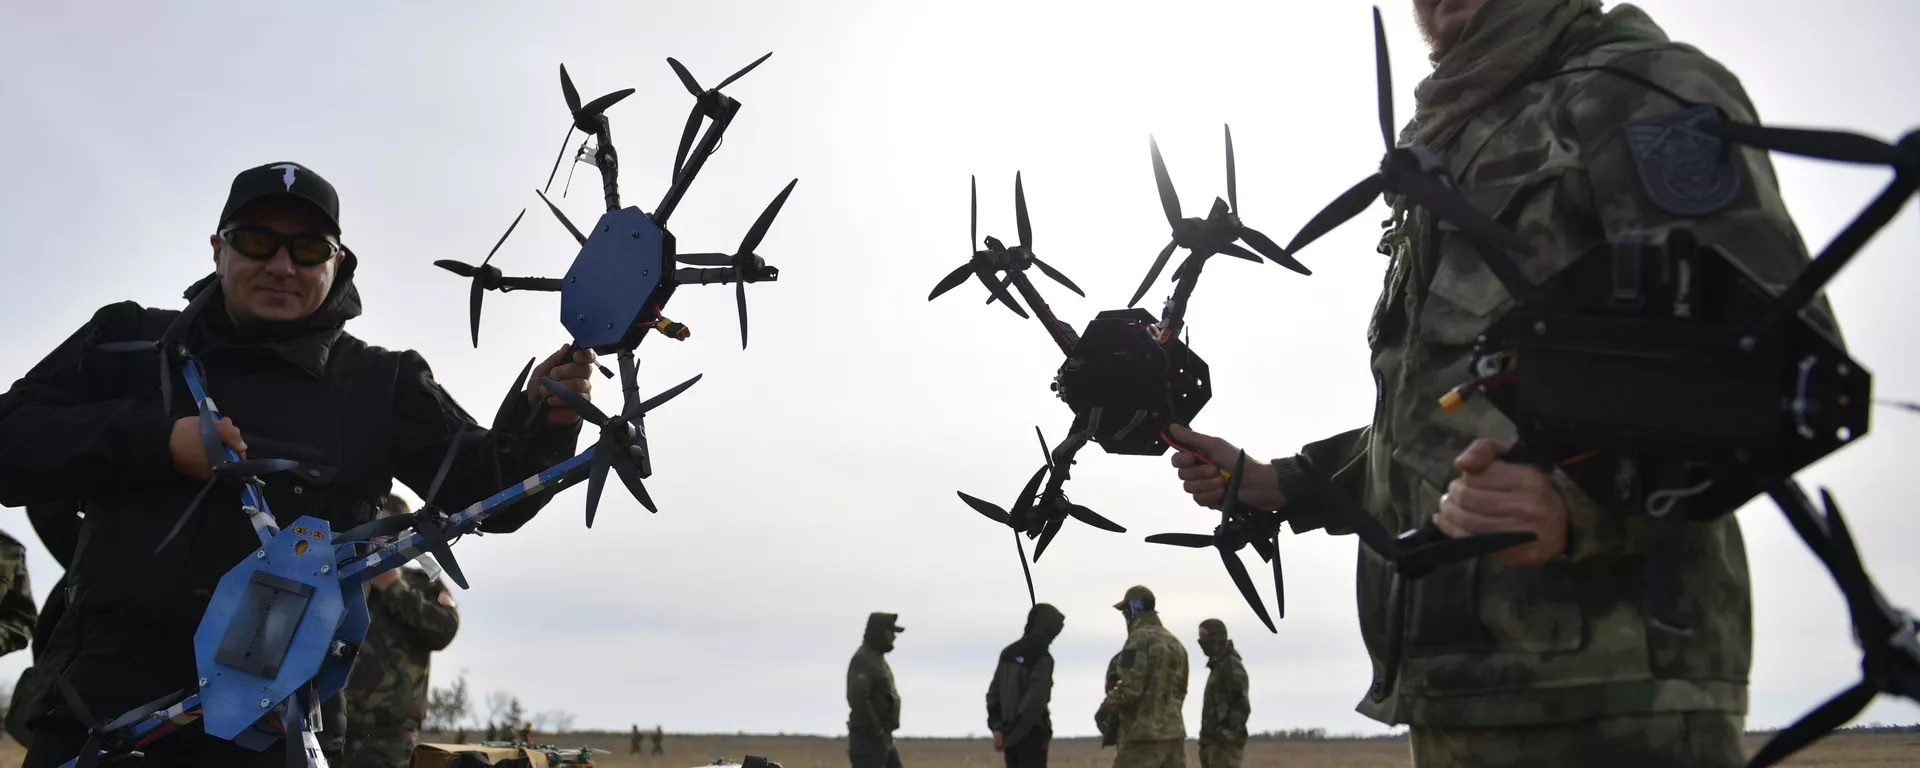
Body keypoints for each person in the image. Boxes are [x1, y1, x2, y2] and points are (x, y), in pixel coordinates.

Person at [1167, 1, 1835, 766]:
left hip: (1615, 694)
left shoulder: (1639, 88)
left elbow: (1782, 361)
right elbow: (1451, 418)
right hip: (1457, 679)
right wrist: (1279, 481)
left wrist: (1574, 500)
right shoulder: (1454, 138)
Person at [0, 160, 592, 768]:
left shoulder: (382, 383)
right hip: (94, 723)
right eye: (256, 241)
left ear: (338, 261)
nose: (281, 266)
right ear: (217, 249)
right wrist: (155, 442)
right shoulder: (124, 343)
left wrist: (544, 420)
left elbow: (490, 495)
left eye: (308, 248)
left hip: (277, 738)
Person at [343, 495, 463, 768]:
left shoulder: (423, 584)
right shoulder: (344, 580)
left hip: (389, 736)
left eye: (392, 534)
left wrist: (394, 588)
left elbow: (445, 630)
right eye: (378, 532)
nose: (383, 542)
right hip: (333, 725)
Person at [1093, 586, 1188, 768]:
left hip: (1142, 738)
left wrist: (1103, 710)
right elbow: (1181, 691)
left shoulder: (1138, 641)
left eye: (1125, 611)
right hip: (1174, 737)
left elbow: (1130, 689)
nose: (1125, 616)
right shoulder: (1176, 644)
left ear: (1134, 608)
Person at [986, 603, 1064, 768]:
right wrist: (1010, 737)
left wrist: (999, 729)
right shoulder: (1043, 658)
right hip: (1031, 737)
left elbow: (993, 697)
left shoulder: (1008, 653)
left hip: (1008, 735)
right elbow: (1033, 705)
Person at [846, 611, 905, 768]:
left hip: (882, 740)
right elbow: (858, 698)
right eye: (890, 631)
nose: (894, 637)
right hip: (868, 742)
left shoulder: (876, 659)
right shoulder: (863, 659)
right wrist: (877, 730)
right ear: (880, 633)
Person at [1195, 620, 1249, 768]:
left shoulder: (1230, 666)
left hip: (1224, 747)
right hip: (1212, 743)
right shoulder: (1218, 666)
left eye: (1204, 636)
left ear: (1216, 637)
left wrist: (1225, 736)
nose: (1201, 641)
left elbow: (1241, 706)